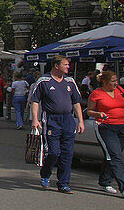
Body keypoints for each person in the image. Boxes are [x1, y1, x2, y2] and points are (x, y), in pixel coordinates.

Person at [29, 54, 85, 193]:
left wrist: (80, 121)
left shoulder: (70, 81)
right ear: (56, 66)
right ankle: (45, 173)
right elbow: (35, 101)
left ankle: (63, 183)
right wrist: (35, 119)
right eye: (65, 64)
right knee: (54, 152)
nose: (68, 67)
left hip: (68, 120)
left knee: (67, 153)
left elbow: (76, 102)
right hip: (51, 120)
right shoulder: (44, 81)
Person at [86, 70, 124, 197]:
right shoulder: (97, 94)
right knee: (115, 155)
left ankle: (104, 181)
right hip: (106, 127)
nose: (116, 83)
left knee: (113, 155)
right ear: (105, 82)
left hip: (122, 126)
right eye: (113, 81)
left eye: (116, 80)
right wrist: (98, 114)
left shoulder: (119, 90)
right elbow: (89, 111)